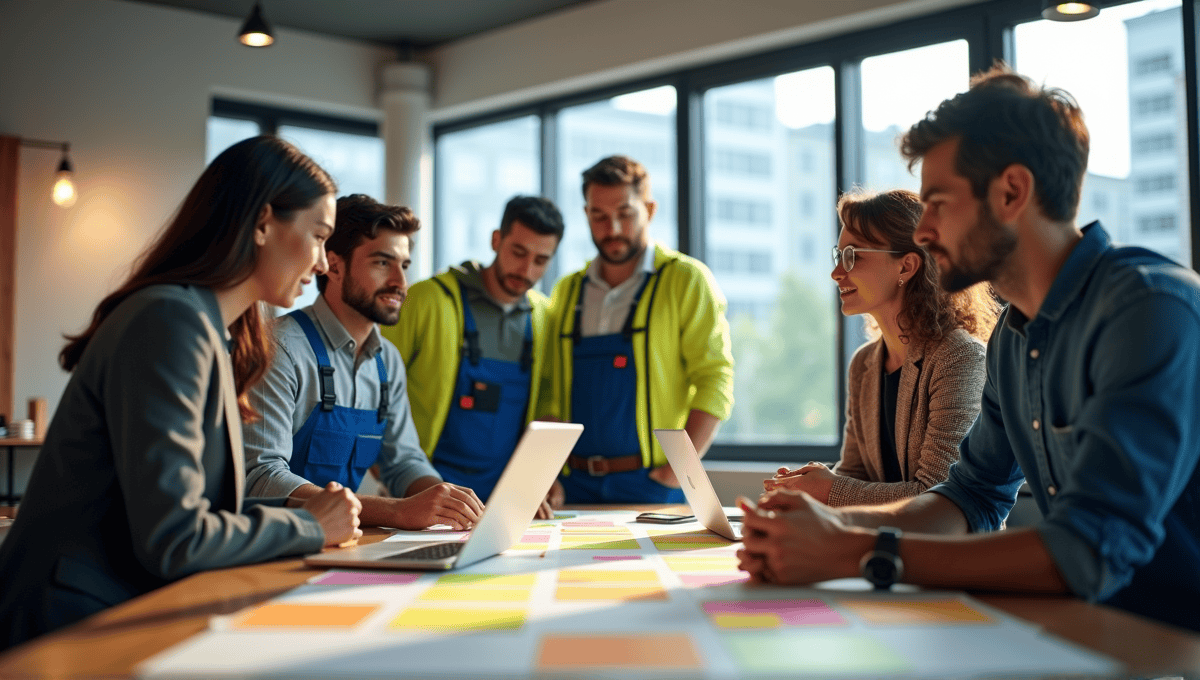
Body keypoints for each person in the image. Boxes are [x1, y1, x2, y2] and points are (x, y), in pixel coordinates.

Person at [737, 65, 1200, 633]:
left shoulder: (1150, 309)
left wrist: (851, 551)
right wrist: (824, 527)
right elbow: (969, 498)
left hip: (1171, 638)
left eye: (938, 202)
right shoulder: (1012, 338)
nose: (925, 231)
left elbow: (1089, 549)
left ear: (1011, 192)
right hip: (1092, 627)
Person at [0, 136, 363, 650]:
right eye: (319, 236)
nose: (325, 263)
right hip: (66, 624)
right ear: (262, 223)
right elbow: (174, 536)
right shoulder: (170, 320)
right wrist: (307, 525)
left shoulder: (215, 331)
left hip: (118, 607)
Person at [243, 194, 484, 531]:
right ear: (334, 265)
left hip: (343, 544)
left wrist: (453, 503)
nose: (400, 283)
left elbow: (403, 463)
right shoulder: (279, 348)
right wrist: (397, 512)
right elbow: (262, 477)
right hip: (277, 545)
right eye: (382, 263)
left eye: (404, 266)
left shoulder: (389, 362)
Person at [764, 189, 999, 506]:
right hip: (880, 547)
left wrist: (829, 490)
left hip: (944, 552)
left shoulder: (960, 357)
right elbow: (854, 476)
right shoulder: (864, 363)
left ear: (906, 267)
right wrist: (808, 493)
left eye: (853, 257)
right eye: (839, 256)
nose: (836, 274)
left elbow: (939, 497)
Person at [540, 155, 734, 503]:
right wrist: (547, 471)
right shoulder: (567, 291)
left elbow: (715, 377)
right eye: (599, 216)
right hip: (573, 486)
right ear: (586, 215)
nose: (612, 228)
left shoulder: (686, 280)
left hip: (654, 485)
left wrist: (678, 471)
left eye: (625, 214)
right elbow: (551, 391)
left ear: (650, 209)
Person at [382, 195, 563, 517]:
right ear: (496, 240)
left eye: (541, 260)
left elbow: (547, 403)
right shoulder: (426, 300)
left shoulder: (545, 317)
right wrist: (390, 477)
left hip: (506, 500)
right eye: (518, 252)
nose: (526, 269)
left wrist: (539, 479)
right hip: (428, 493)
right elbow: (374, 383)